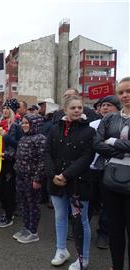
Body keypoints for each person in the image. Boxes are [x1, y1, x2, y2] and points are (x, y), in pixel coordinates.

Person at [45, 96, 95, 269]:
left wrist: (65, 175)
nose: (77, 110)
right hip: (55, 182)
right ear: (65, 110)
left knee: (81, 221)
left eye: (79, 108)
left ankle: (84, 258)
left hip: (78, 184)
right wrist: (53, 175)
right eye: (73, 108)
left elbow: (87, 157)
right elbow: (47, 153)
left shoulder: (89, 131)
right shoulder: (54, 129)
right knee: (59, 217)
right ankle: (61, 250)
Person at [93, 77, 130, 270]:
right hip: (111, 179)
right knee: (115, 229)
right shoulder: (109, 118)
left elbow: (106, 143)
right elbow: (97, 144)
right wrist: (125, 149)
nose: (125, 96)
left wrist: (114, 142)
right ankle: (116, 266)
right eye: (121, 92)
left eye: (128, 91)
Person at [89, 95, 121, 250]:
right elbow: (92, 146)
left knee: (107, 206)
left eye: (109, 105)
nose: (105, 108)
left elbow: (122, 147)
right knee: (87, 201)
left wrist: (106, 147)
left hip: (111, 170)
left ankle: (104, 234)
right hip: (91, 168)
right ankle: (82, 229)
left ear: (117, 107)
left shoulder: (122, 125)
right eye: (102, 105)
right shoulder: (92, 124)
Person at [13, 114, 46, 243]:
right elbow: (18, 155)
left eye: (28, 123)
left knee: (33, 205)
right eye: (24, 122)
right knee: (24, 204)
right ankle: (26, 228)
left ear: (35, 124)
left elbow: (42, 162)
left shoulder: (40, 139)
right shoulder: (23, 138)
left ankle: (33, 231)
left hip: (32, 179)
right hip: (20, 177)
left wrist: (37, 179)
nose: (24, 125)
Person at [0, 99, 19, 228]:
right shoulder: (0, 123)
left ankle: (9, 215)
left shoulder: (16, 125)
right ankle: (8, 211)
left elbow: (18, 145)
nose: (4, 110)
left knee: (8, 190)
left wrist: (5, 136)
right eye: (3, 108)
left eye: (7, 108)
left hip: (10, 162)